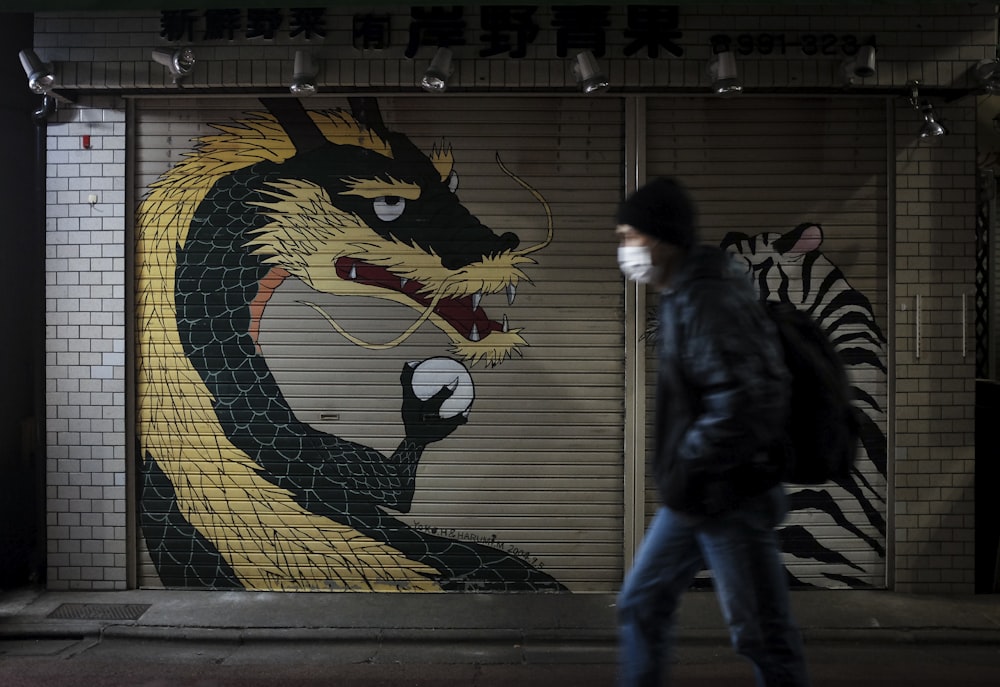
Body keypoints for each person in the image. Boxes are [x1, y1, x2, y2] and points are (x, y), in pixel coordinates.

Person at [614, 177, 810, 687]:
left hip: (730, 495)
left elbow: (747, 400)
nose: (625, 250)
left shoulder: (708, 301)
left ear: (659, 239)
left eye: (629, 236)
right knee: (641, 603)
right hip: (698, 495)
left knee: (761, 635)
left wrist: (689, 460)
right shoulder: (687, 294)